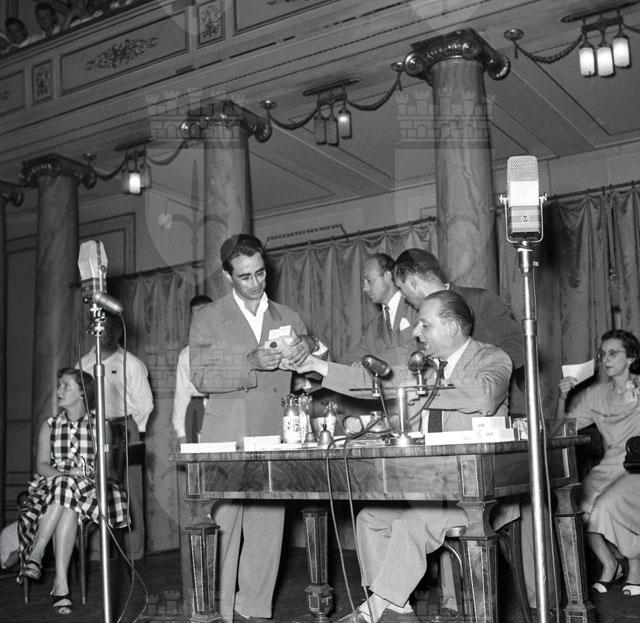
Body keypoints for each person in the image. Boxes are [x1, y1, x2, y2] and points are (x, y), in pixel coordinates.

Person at [292, 290, 513, 622]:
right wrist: (314, 365)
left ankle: (374, 610)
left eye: (425, 324)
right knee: (370, 519)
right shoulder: (424, 367)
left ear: (452, 327)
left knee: (412, 525)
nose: (417, 332)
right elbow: (371, 380)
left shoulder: (492, 359)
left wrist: (415, 389)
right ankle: (398, 610)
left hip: (479, 495)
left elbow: (482, 396)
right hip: (432, 491)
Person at [189, 233, 323, 622]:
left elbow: (312, 373)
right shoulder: (208, 317)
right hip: (226, 438)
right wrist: (250, 362)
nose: (255, 283)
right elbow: (200, 377)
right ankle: (216, 613)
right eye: (245, 276)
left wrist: (309, 346)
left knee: (267, 532)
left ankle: (255, 611)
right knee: (224, 529)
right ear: (227, 276)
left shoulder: (288, 317)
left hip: (274, 433)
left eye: (260, 273)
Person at [17, 368, 128, 615]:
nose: (59, 391)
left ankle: (37, 554)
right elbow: (42, 466)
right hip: (51, 490)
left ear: (82, 393)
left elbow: (105, 469)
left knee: (67, 492)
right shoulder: (50, 425)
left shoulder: (101, 425)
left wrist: (81, 475)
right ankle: (61, 585)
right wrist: (65, 475)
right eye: (59, 385)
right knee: (66, 496)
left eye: (66, 386)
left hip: (91, 490)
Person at [556, 329, 640, 597]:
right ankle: (609, 564)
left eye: (613, 353)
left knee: (608, 504)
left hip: (636, 467)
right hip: (609, 466)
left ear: (631, 357)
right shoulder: (595, 395)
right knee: (574, 505)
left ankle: (635, 567)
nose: (605, 359)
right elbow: (563, 429)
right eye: (603, 354)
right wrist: (563, 397)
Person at [80, 313, 153, 561]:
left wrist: (131, 431)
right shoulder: (84, 363)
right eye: (100, 328)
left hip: (125, 428)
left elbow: (145, 404)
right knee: (95, 489)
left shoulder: (131, 364)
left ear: (118, 333)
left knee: (130, 490)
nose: (104, 334)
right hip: (93, 430)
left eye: (110, 329)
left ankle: (134, 553)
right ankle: (97, 555)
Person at [345, 253, 417, 365]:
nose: (365, 288)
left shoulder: (416, 308)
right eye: (363, 283)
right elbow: (356, 356)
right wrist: (324, 365)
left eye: (369, 281)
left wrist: (375, 362)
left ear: (387, 276)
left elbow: (417, 347)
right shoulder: (373, 326)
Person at [171, 293, 212, 444]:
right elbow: (181, 395)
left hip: (224, 410)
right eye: (196, 317)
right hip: (197, 411)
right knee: (198, 458)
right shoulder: (186, 354)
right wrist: (181, 433)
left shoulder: (228, 348)